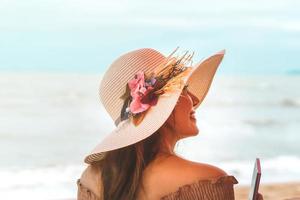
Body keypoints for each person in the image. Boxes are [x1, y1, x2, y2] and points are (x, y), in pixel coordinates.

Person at [76, 47, 263, 200]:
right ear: (160, 106)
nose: (195, 99)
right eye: (184, 90)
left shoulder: (90, 180)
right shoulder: (206, 180)